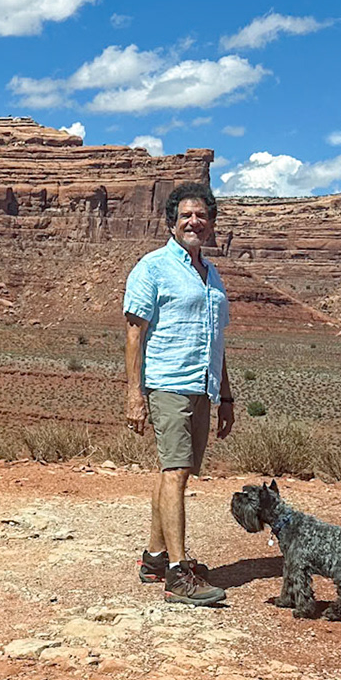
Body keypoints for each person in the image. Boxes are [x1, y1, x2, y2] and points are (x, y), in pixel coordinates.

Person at [123, 181, 236, 605]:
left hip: (202, 386)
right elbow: (135, 334)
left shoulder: (211, 274)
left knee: (177, 470)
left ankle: (154, 558)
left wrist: (225, 395)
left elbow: (216, 341)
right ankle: (178, 573)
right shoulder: (152, 267)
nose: (194, 221)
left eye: (201, 215)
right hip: (169, 383)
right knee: (175, 471)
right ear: (172, 221)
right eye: (186, 215)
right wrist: (134, 394)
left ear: (210, 224)